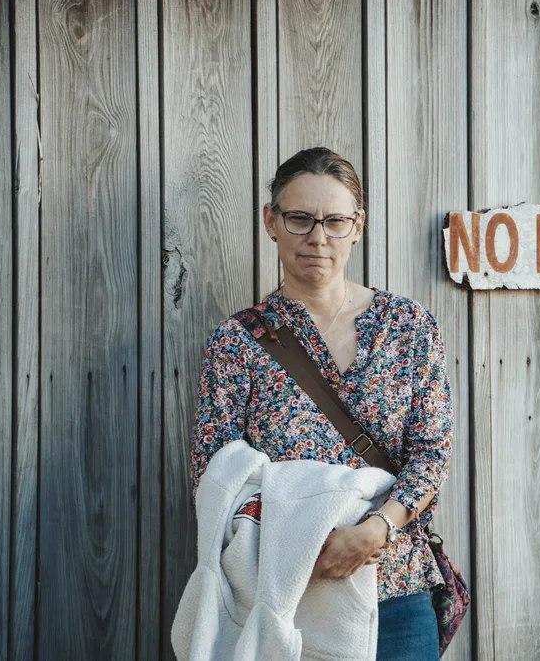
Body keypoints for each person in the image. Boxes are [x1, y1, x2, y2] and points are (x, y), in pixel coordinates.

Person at [189, 147, 453, 660]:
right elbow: (214, 477)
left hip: (396, 591)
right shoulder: (241, 341)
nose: (317, 238)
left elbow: (432, 453)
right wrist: (300, 536)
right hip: (289, 600)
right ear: (271, 221)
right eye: (300, 218)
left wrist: (376, 530)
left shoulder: (408, 326)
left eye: (335, 221)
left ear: (358, 226)